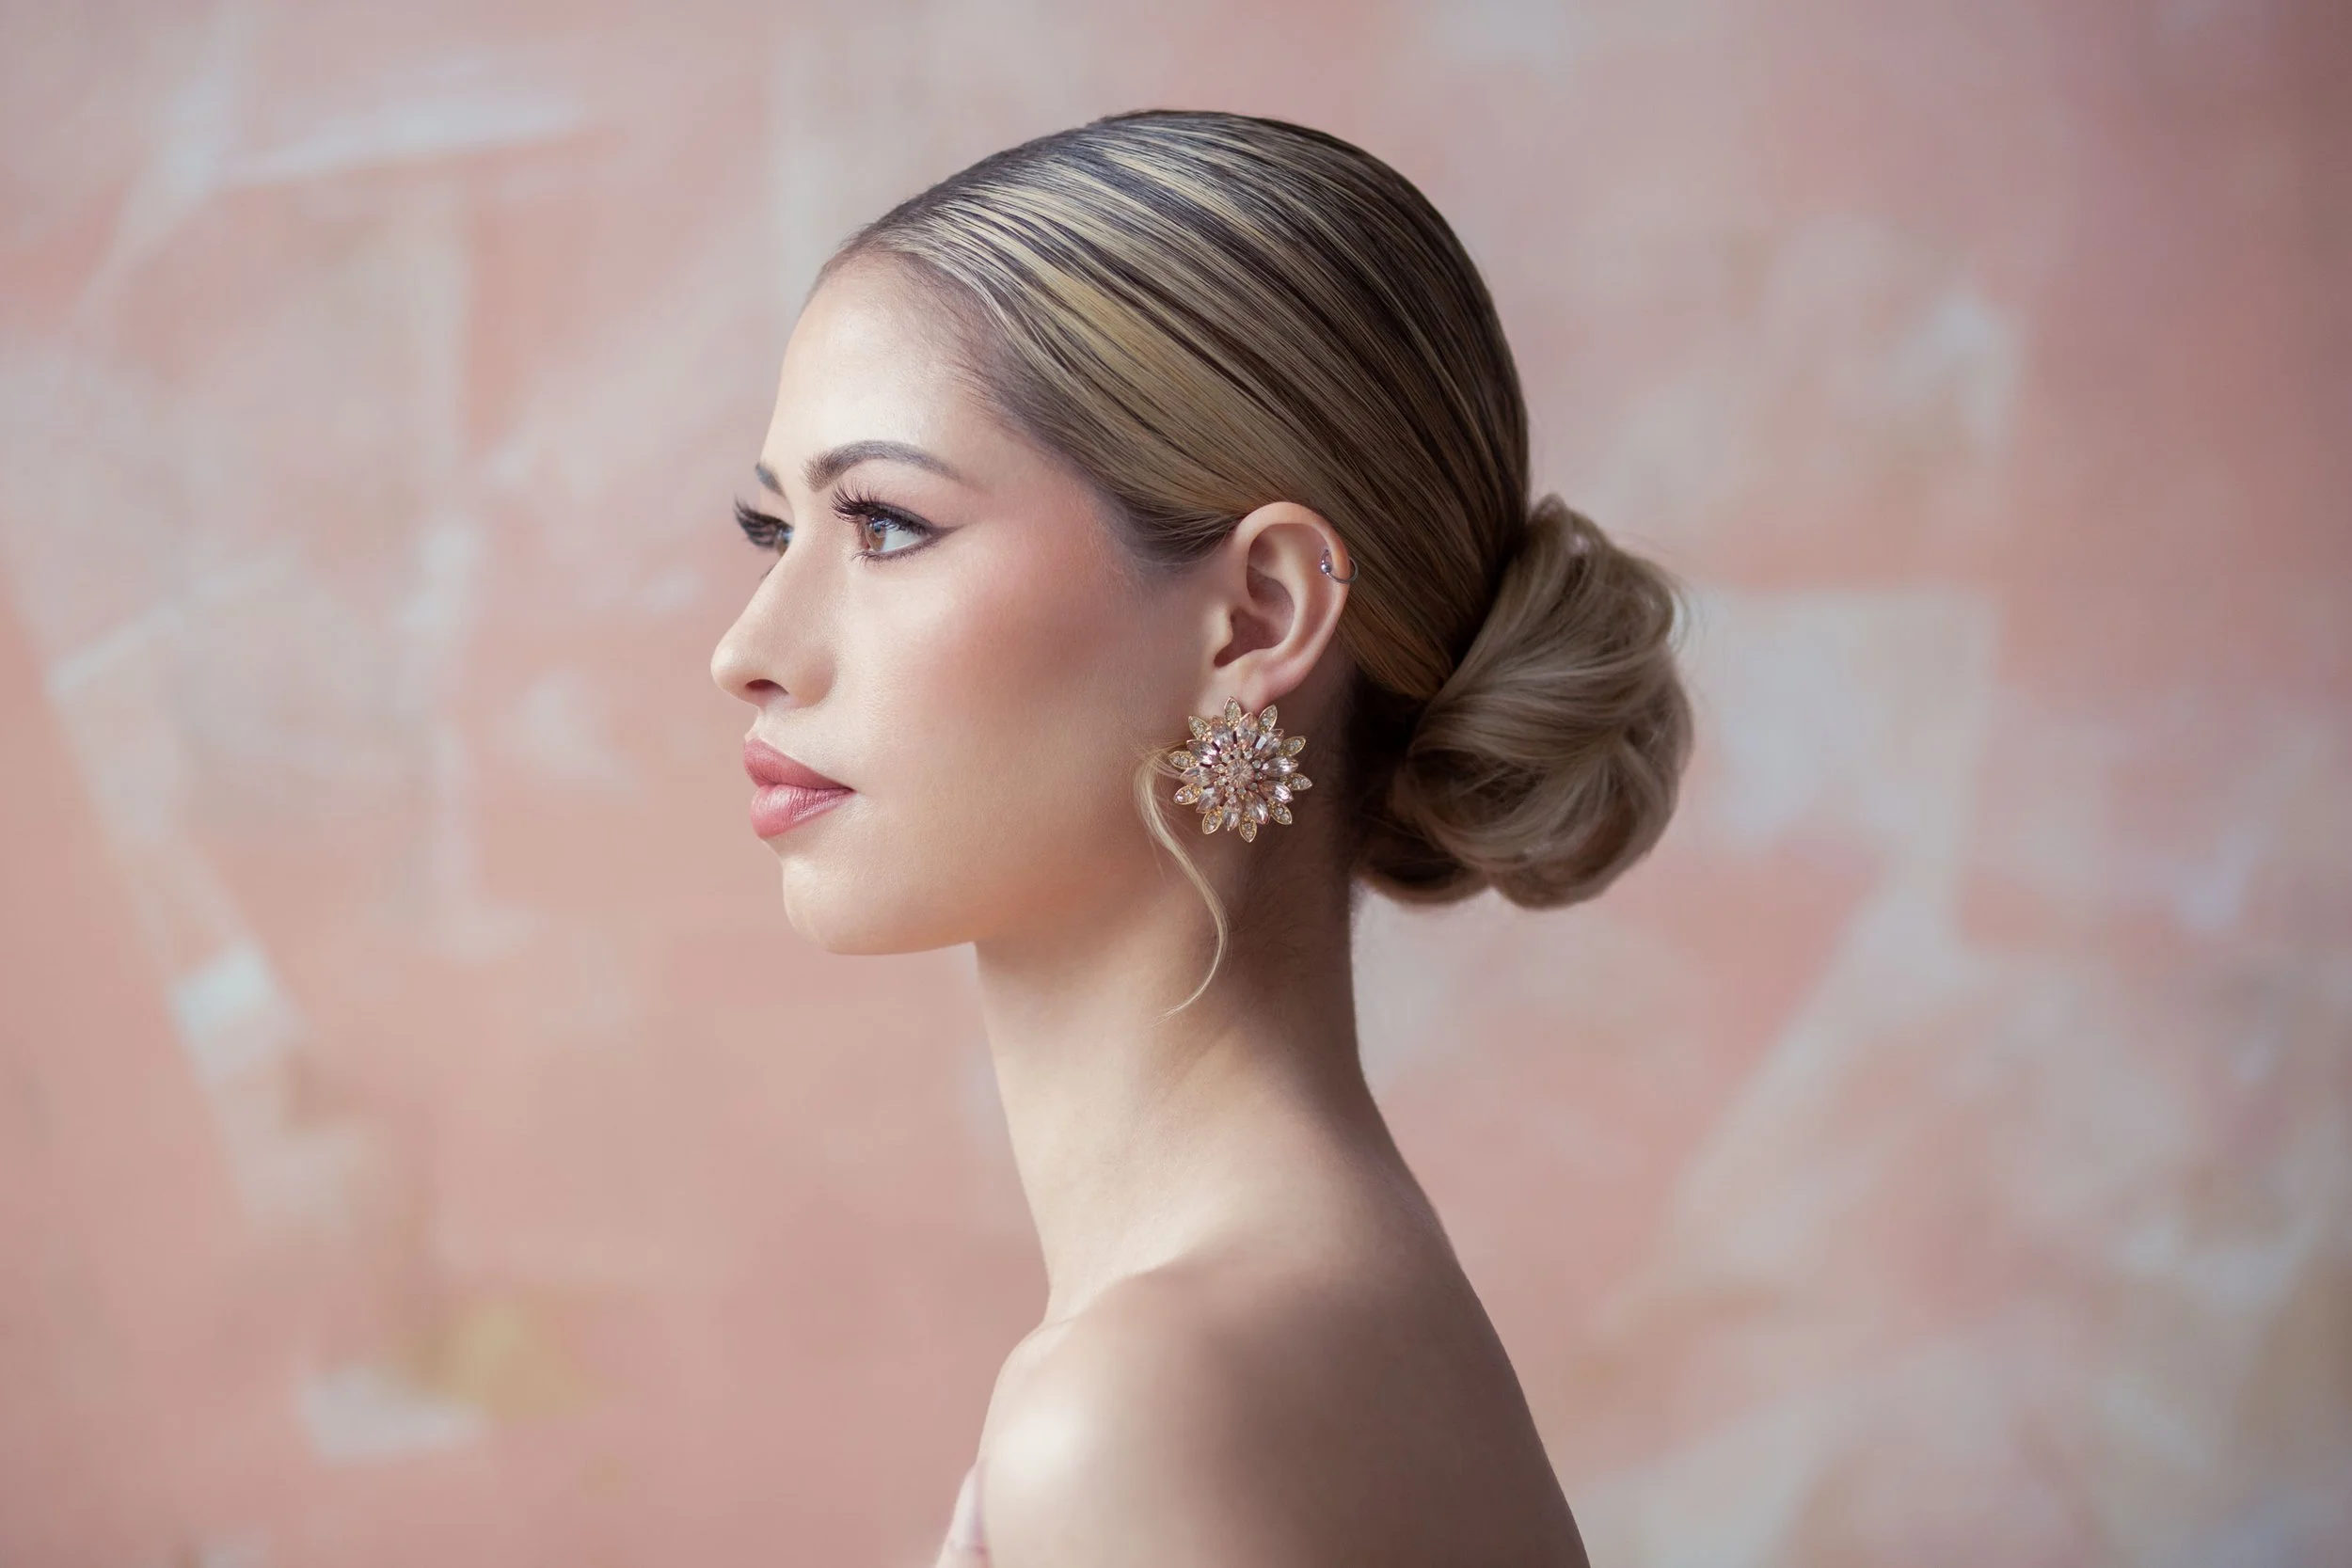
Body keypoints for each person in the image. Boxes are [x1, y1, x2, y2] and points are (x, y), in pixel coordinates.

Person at [710, 108, 1691, 1567]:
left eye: (888, 523)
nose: (750, 648)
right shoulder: (1334, 1316)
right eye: (770, 527)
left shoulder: (1144, 1403)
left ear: (1260, 615)